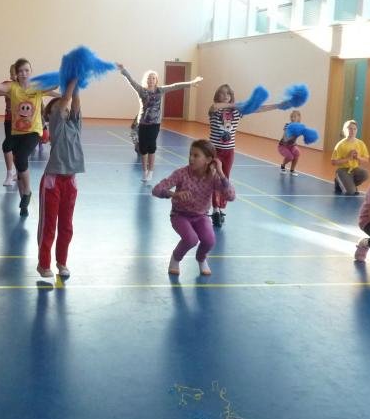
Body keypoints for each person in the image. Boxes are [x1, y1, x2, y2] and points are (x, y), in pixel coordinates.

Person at [0, 59, 58, 215]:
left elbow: (54, 86)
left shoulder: (37, 86)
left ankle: (27, 191)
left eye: (27, 70)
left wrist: (65, 76)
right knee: (19, 167)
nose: (24, 74)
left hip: (33, 131)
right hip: (16, 132)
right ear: (16, 73)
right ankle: (24, 205)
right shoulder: (12, 87)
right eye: (20, 71)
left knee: (21, 158)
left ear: (31, 71)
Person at [152, 139, 235, 276]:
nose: (191, 158)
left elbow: (231, 196)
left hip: (201, 216)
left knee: (209, 241)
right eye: (190, 154)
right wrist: (174, 194)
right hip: (180, 215)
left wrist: (221, 173)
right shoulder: (181, 173)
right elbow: (156, 190)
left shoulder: (213, 177)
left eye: (196, 155)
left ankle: (201, 259)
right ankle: (175, 258)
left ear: (208, 160)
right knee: (191, 239)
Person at [207, 83, 281, 227]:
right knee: (215, 178)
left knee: (225, 180)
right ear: (217, 95)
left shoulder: (237, 112)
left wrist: (278, 105)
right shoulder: (215, 110)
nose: (225, 96)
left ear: (231, 96)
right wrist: (236, 105)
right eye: (222, 93)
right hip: (214, 151)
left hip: (228, 152)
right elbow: (214, 106)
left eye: (228, 94)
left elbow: (258, 108)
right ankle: (215, 209)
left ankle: (221, 209)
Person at [116, 63, 202, 183]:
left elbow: (175, 86)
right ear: (146, 80)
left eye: (153, 78)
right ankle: (144, 171)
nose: (151, 80)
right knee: (143, 149)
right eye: (149, 78)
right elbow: (131, 81)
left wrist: (191, 83)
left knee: (151, 147)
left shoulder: (160, 90)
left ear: (156, 80)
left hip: (154, 124)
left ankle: (151, 171)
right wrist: (123, 70)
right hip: (143, 124)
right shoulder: (141, 90)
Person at [36, 79, 83, 279]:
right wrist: (71, 81)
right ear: (52, 115)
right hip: (52, 181)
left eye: (66, 110)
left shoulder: (75, 126)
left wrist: (77, 85)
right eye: (60, 109)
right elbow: (66, 100)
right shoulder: (56, 125)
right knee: (49, 225)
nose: (65, 110)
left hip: (70, 181)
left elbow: (75, 103)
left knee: (66, 226)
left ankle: (62, 262)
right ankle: (43, 264)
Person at [331, 119, 370, 195]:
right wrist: (348, 158)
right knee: (351, 192)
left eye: (354, 129)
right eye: (350, 129)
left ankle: (351, 184)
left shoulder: (361, 144)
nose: (352, 131)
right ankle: (338, 183)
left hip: (354, 169)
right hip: (343, 170)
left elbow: (366, 160)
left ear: (357, 130)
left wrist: (358, 157)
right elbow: (333, 162)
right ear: (345, 130)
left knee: (365, 174)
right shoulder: (340, 145)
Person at [277, 110, 304, 176]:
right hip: (283, 146)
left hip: (292, 146)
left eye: (294, 117)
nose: (292, 118)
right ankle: (282, 166)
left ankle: (292, 170)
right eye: (291, 117)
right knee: (290, 157)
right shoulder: (287, 125)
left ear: (299, 118)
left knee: (297, 153)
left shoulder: (300, 127)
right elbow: (285, 138)